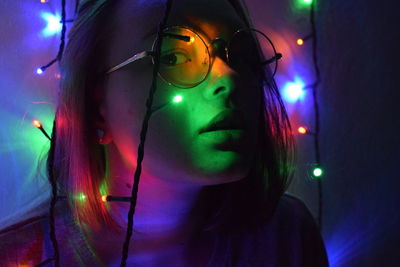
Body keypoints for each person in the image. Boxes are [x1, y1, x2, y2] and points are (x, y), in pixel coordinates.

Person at [0, 0, 329, 266]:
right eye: (172, 57)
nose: (230, 78)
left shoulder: (285, 235)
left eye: (241, 55)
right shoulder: (20, 256)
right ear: (96, 103)